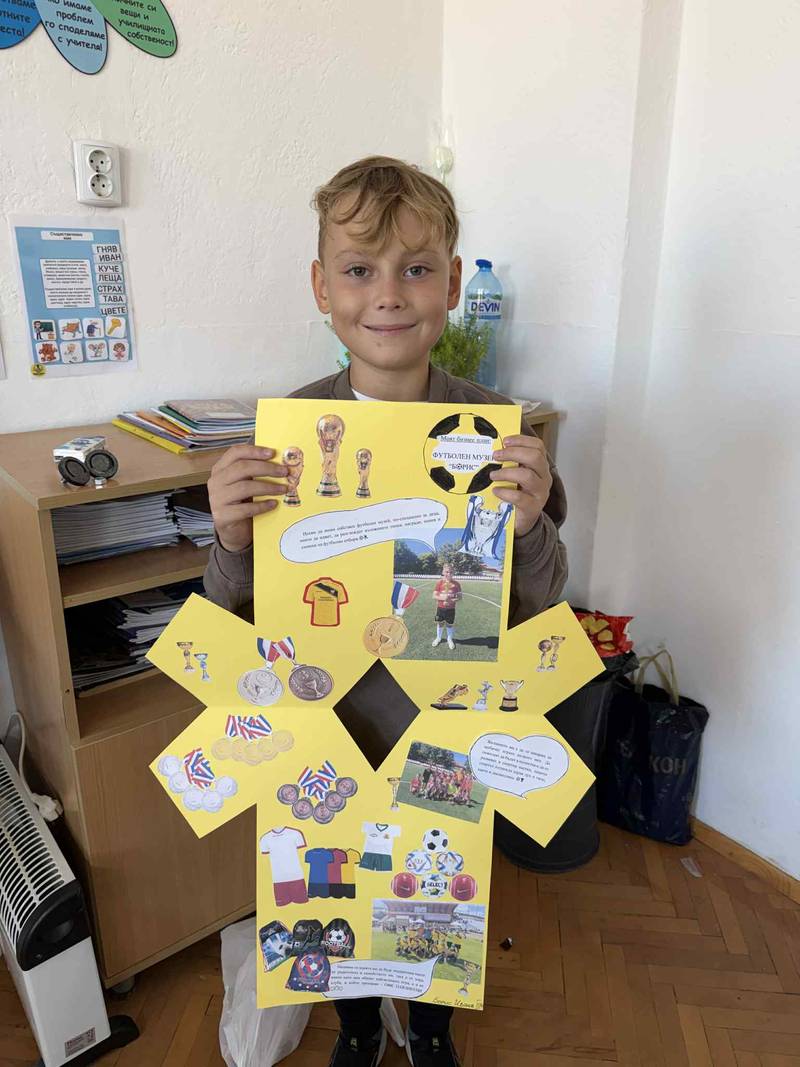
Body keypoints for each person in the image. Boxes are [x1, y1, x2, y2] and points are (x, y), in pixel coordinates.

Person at [204, 156, 567, 1067]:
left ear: (452, 282)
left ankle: (431, 1029)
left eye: (416, 267)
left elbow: (541, 605)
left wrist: (530, 524)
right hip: (327, 732)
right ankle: (361, 1027)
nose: (390, 294)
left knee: (435, 895)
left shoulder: (498, 429)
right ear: (321, 287)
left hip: (447, 729)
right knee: (339, 898)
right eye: (360, 269)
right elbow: (228, 620)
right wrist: (232, 538)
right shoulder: (285, 436)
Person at [432, 562, 462, 650]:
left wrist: (450, 601)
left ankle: (449, 639)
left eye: (451, 572)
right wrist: (443, 598)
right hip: (440, 608)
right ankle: (438, 638)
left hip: (451, 609)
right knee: (440, 623)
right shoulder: (439, 583)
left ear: (453, 573)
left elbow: (459, 597)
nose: (448, 574)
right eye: (446, 572)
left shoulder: (457, 584)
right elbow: (434, 596)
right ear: (443, 572)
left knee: (449, 624)